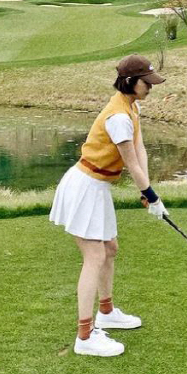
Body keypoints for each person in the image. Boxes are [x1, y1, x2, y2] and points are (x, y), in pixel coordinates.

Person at [50, 54, 169, 357]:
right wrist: (153, 197)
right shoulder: (117, 117)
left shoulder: (131, 107)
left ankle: (106, 311)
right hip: (85, 186)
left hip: (97, 187)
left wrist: (148, 191)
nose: (151, 87)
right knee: (94, 256)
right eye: (147, 82)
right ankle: (85, 336)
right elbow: (129, 163)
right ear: (131, 82)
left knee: (110, 249)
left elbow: (139, 149)